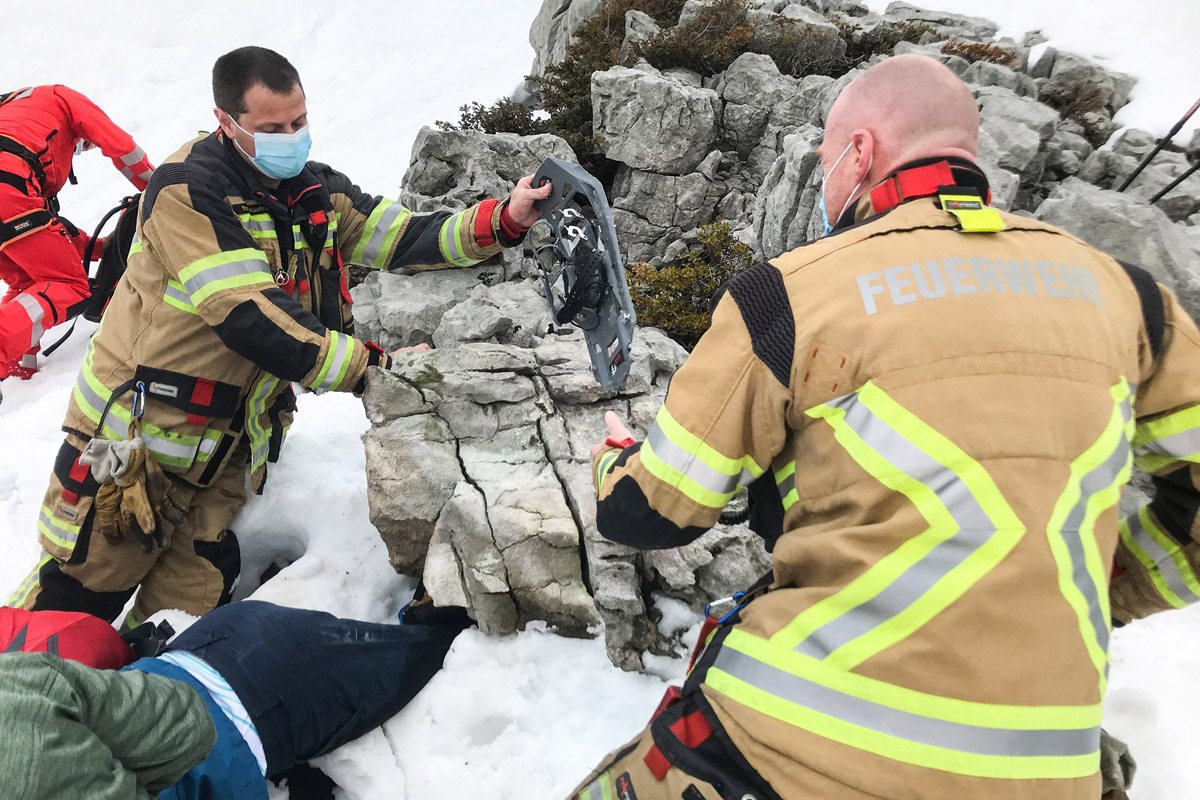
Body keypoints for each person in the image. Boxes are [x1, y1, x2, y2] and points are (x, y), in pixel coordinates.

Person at [577, 53, 1191, 800]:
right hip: (1045, 773)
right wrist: (1101, 587)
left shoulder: (791, 296)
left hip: (789, 744)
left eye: (828, 158)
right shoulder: (1134, 299)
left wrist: (614, 461)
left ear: (860, 153)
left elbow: (653, 513)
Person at [7, 46, 550, 627]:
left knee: (179, 621)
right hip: (135, 448)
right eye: (272, 129)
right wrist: (371, 365)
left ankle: (138, 710)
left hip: (228, 452)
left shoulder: (309, 191)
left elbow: (399, 236)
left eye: (299, 122)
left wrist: (503, 219)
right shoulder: (188, 193)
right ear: (226, 122)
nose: (291, 138)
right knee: (73, 605)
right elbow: (250, 316)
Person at [0, 599, 465, 800]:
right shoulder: (14, 683)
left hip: (271, 696)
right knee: (405, 651)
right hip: (210, 638)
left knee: (439, 656)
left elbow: (194, 733)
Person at [0, 85, 154, 382]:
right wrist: (161, 188)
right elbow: (122, 147)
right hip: (9, 188)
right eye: (83, 146)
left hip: (11, 195)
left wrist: (98, 247)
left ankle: (20, 369)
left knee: (27, 282)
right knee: (70, 286)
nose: (81, 149)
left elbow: (43, 231)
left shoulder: (18, 115)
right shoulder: (60, 96)